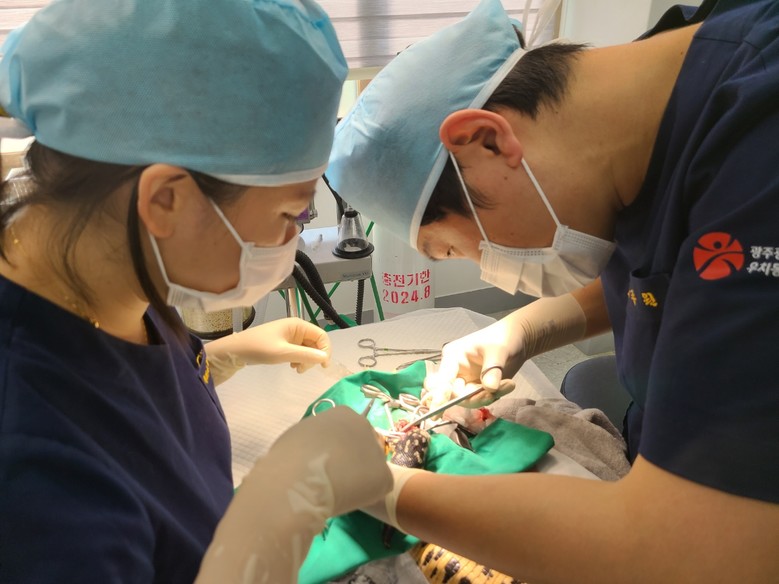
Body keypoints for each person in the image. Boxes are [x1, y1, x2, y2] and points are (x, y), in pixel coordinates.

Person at [327, 0, 779, 580]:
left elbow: (681, 550)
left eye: (456, 249)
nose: (484, 271)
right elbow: (678, 279)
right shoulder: (640, 117)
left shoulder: (758, 150)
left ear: (486, 141)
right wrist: (523, 329)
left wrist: (386, 491)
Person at [0, 0, 392, 582]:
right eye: (291, 213)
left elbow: (125, 388)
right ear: (166, 200)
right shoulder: (32, 466)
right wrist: (279, 510)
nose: (294, 239)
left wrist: (222, 357)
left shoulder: (107, 267)